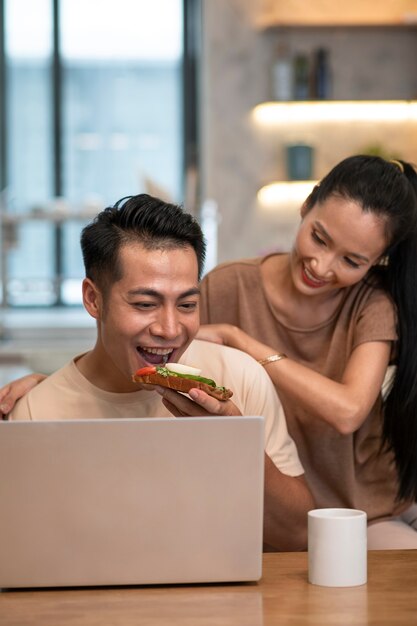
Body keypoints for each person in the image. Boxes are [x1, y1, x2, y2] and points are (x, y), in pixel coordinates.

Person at [4, 193, 314, 551]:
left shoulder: (239, 377)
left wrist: (235, 442)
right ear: (93, 299)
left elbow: (299, 537)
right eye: (145, 304)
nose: (169, 329)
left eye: (187, 304)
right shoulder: (34, 412)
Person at [197, 155, 417, 549]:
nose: (321, 265)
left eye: (352, 261)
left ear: (376, 262)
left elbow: (348, 411)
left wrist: (241, 341)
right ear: (306, 206)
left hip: (359, 515)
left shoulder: (373, 306)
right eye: (319, 237)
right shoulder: (225, 287)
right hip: (259, 514)